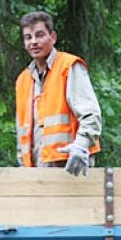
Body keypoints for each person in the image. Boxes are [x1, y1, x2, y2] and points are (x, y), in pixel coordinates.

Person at [15, 10, 102, 176]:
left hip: (71, 166)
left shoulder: (68, 67)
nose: (34, 42)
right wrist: (22, 168)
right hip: (34, 173)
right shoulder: (23, 80)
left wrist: (81, 146)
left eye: (39, 35)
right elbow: (21, 132)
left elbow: (91, 115)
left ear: (52, 37)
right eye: (28, 37)